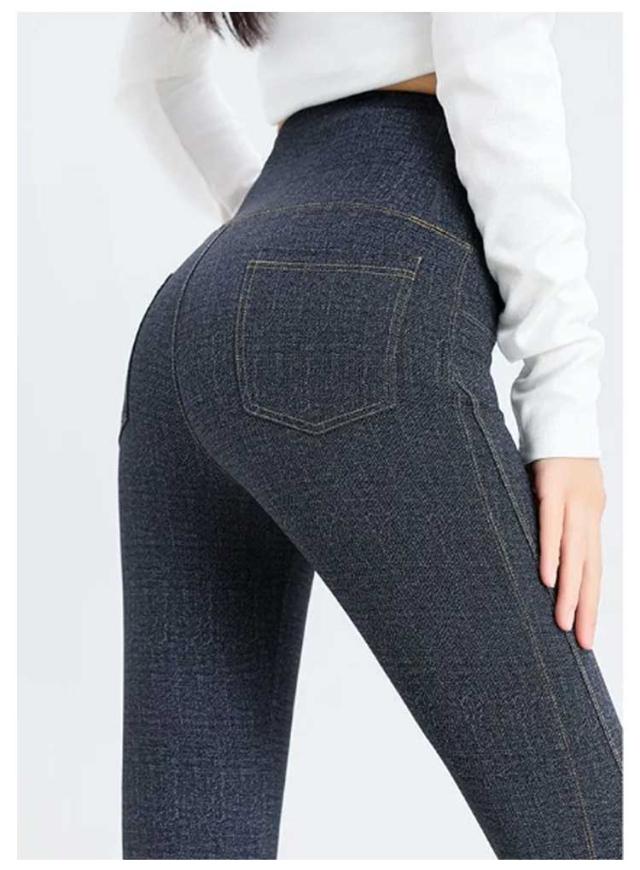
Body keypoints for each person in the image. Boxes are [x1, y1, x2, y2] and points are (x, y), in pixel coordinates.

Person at [115, 12, 622, 860]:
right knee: (591, 824)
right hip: (369, 282)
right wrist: (563, 390)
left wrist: (271, 237)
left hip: (187, 319)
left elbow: (154, 79)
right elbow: (492, 56)